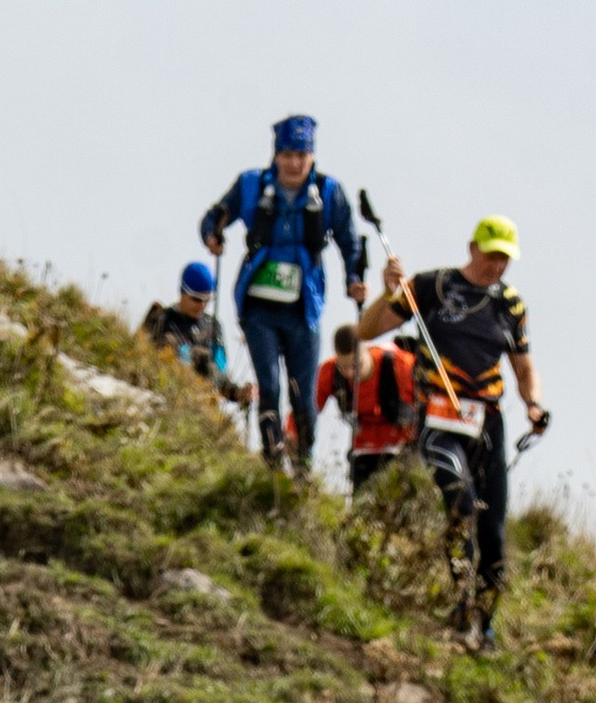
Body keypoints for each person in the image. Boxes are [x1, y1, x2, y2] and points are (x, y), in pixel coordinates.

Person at [356, 219, 547, 641]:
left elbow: (523, 366)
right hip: (439, 415)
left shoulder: (511, 305)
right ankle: (460, 605)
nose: (497, 264)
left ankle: (486, 625)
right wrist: (389, 291)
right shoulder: (431, 286)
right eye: (492, 254)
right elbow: (369, 330)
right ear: (473, 248)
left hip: (488, 421)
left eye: (505, 258)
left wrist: (533, 404)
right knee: (461, 505)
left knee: (493, 530)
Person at [200, 113, 365, 470]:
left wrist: (354, 278)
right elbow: (215, 216)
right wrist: (213, 235)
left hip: (304, 308)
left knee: (302, 394)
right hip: (258, 307)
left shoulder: (329, 192)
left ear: (312, 157)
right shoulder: (252, 186)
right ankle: (272, 458)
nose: (293, 163)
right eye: (287, 154)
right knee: (270, 386)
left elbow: (350, 242)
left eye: (301, 156)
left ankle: (303, 463)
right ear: (275, 155)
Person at [319, 318, 419, 489]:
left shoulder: (401, 364)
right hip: (362, 453)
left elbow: (426, 406)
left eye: (356, 365)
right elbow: (306, 409)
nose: (350, 373)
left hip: (402, 451)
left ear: (368, 351)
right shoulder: (330, 372)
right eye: (344, 367)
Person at [139, 260, 250, 410]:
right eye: (197, 299)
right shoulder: (161, 320)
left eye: (207, 299)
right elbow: (140, 358)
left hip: (204, 410)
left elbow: (219, 375)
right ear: (182, 292)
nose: (202, 305)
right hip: (167, 403)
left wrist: (238, 393)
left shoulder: (213, 327)